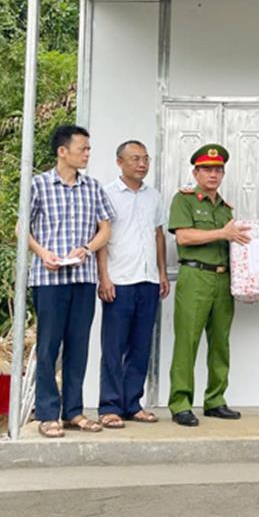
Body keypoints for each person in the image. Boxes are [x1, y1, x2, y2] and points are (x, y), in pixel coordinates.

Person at [27, 124, 114, 438]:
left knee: (78, 345)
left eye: (89, 149)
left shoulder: (93, 187)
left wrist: (88, 248)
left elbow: (105, 230)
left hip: (83, 277)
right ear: (62, 151)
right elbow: (21, 229)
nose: (87, 154)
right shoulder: (38, 185)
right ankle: (47, 413)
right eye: (83, 149)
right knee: (48, 346)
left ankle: (73, 412)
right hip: (48, 278)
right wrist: (42, 253)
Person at [166, 144, 251, 427]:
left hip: (223, 278)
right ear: (196, 172)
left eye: (218, 170)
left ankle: (215, 400)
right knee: (187, 342)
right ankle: (180, 403)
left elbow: (236, 245)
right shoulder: (184, 200)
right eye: (207, 169)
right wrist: (222, 233)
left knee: (220, 342)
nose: (213, 175)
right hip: (195, 278)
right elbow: (184, 237)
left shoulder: (226, 209)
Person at [95, 140, 170, 428]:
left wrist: (162, 272)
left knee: (141, 346)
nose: (142, 164)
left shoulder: (154, 196)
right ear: (120, 162)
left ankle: (132, 403)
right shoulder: (107, 194)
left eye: (146, 159)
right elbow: (102, 237)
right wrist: (104, 276)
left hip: (148, 280)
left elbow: (158, 235)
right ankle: (110, 406)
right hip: (119, 280)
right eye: (135, 158)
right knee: (114, 347)